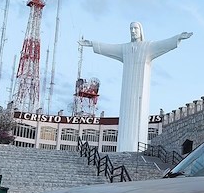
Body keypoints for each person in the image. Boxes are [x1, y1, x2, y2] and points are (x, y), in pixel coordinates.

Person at [79, 23, 192, 151]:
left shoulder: (148, 47)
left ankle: (137, 150)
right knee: (125, 123)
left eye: (135, 28)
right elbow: (108, 48)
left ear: (141, 30)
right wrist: (92, 44)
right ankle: (122, 149)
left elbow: (164, 44)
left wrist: (178, 38)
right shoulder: (125, 48)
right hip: (126, 94)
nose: (133, 31)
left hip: (140, 93)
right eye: (131, 29)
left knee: (139, 121)